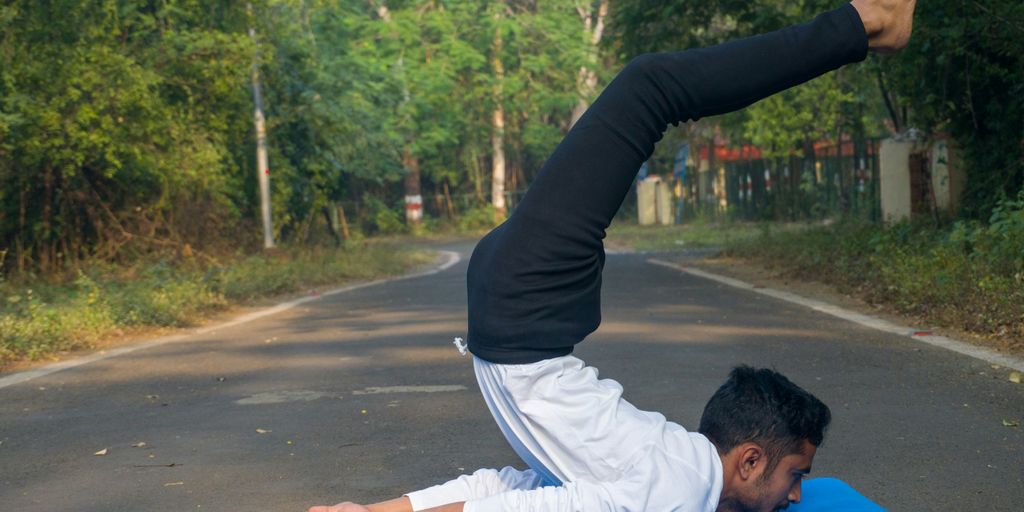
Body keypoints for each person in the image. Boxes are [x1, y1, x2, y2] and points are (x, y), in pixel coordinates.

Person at [310, 1, 916, 510]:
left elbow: (512, 495)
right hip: (520, 312)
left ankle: (870, 20)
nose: (797, 497)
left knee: (649, 88)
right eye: (796, 476)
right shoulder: (678, 481)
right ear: (750, 459)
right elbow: (513, 494)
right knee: (649, 88)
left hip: (524, 310)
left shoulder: (674, 484)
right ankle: (869, 19)